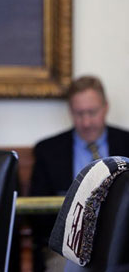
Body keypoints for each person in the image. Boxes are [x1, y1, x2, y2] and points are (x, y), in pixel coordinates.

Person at [29, 75, 129, 272]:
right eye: (78, 113)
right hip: (67, 249)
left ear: (106, 107)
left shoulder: (126, 143)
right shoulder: (47, 150)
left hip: (123, 242)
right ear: (70, 111)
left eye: (92, 112)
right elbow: (38, 214)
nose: (86, 122)